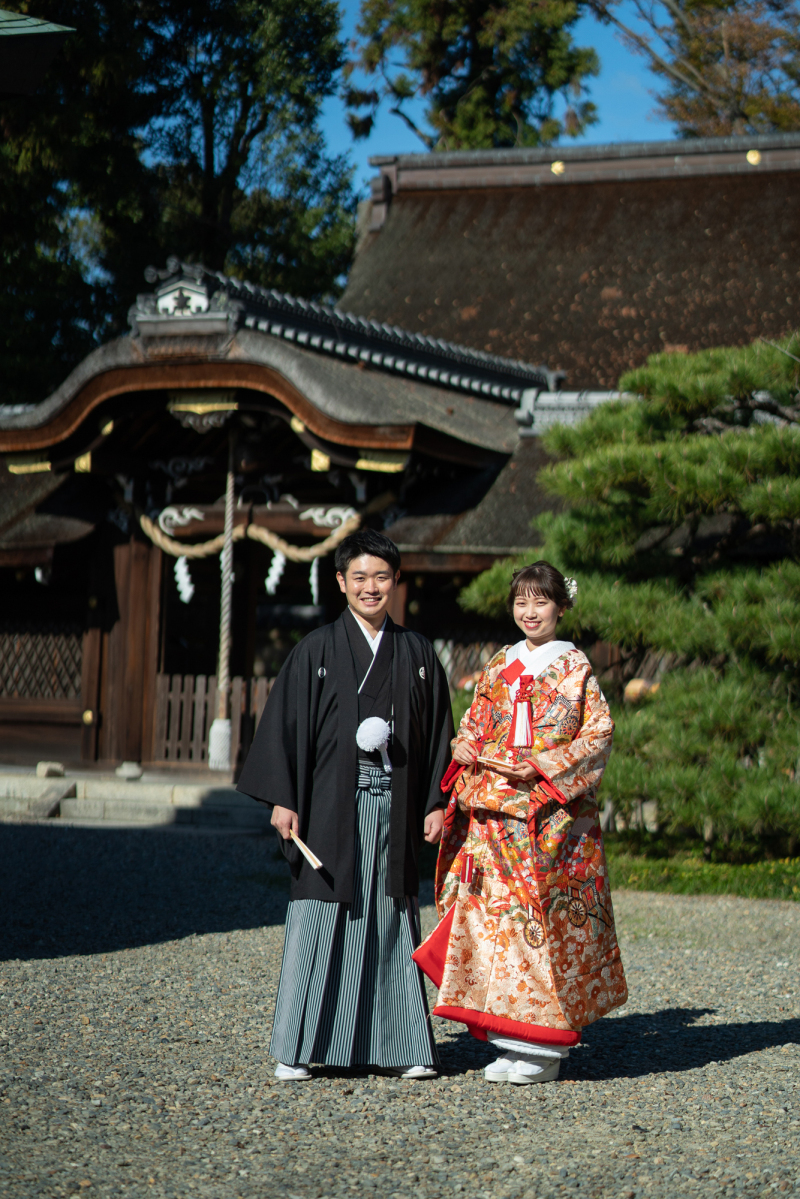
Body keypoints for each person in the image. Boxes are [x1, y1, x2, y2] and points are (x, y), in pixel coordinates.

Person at [237, 529, 454, 1081]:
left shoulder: (418, 653)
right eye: (359, 577)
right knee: (320, 913)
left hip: (395, 806)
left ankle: (402, 1046)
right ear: (341, 582)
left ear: (396, 581)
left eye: (382, 576)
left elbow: (437, 737)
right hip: (330, 806)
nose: (371, 587)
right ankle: (297, 1048)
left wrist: (435, 801)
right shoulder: (315, 650)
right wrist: (284, 800)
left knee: (391, 916)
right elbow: (286, 728)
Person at [416, 561, 627, 1084]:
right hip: (491, 811)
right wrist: (464, 746)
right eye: (521, 603)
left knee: (540, 927)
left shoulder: (575, 667)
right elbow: (475, 721)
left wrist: (541, 765)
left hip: (544, 818)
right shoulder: (499, 663)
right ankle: (511, 1041)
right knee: (495, 927)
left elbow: (597, 734)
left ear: (561, 607)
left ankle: (543, 1049)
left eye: (541, 603)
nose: (529, 613)